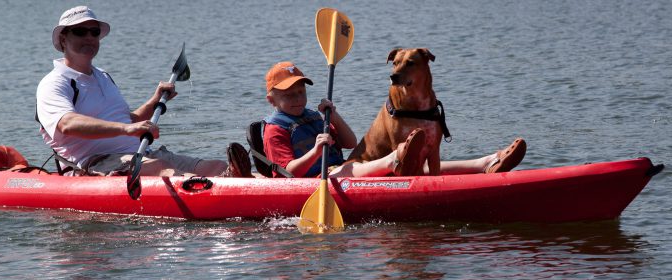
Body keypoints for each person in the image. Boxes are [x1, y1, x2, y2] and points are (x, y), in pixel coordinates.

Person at [36, 6, 251, 177]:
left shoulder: (103, 76)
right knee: (161, 168)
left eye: (94, 32)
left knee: (216, 166)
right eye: (80, 31)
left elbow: (128, 121)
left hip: (141, 154)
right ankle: (214, 194)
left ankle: (236, 186)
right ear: (63, 39)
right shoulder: (54, 83)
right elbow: (67, 124)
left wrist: (155, 100)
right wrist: (126, 129)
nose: (90, 37)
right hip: (97, 162)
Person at [262, 61, 526, 178]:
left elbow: (349, 141)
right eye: (288, 95)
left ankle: (486, 162)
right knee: (350, 169)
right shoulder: (275, 130)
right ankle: (395, 158)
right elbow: (289, 171)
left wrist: (333, 114)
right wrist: (316, 150)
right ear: (272, 100)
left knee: (424, 169)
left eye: (301, 91)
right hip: (317, 182)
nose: (297, 98)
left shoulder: (311, 115)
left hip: (337, 171)